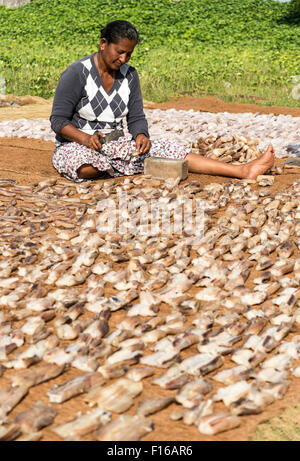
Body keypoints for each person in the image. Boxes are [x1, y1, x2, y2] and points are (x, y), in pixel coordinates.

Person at [50, 20, 275, 183]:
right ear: (103, 44)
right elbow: (58, 120)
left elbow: (136, 116)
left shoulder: (129, 75)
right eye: (119, 52)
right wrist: (86, 138)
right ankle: (121, 165)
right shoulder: (78, 72)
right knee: (87, 168)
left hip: (116, 146)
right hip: (77, 145)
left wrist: (141, 136)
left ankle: (243, 171)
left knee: (170, 149)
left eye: (129, 54)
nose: (123, 59)